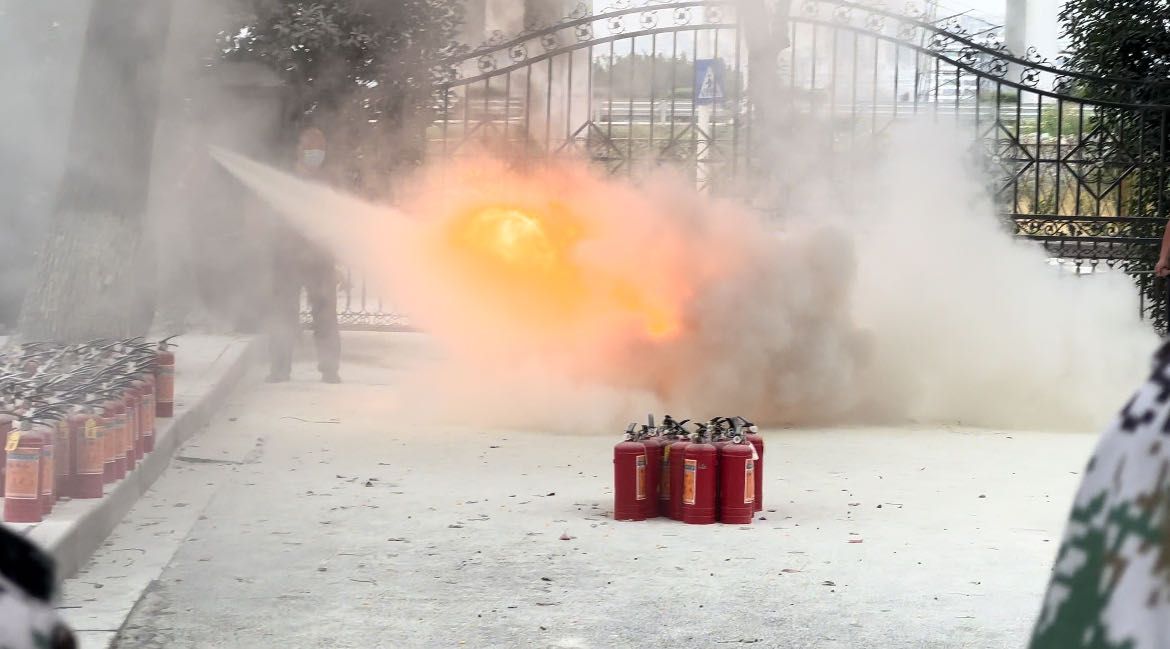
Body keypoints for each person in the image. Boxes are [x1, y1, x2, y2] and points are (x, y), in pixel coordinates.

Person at [267, 126, 341, 383]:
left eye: (320, 150)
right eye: (311, 149)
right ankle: (280, 368)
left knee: (325, 313)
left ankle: (330, 369)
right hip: (287, 256)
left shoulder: (329, 179)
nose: (316, 154)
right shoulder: (286, 179)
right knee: (283, 313)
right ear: (300, 150)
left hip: (320, 258)